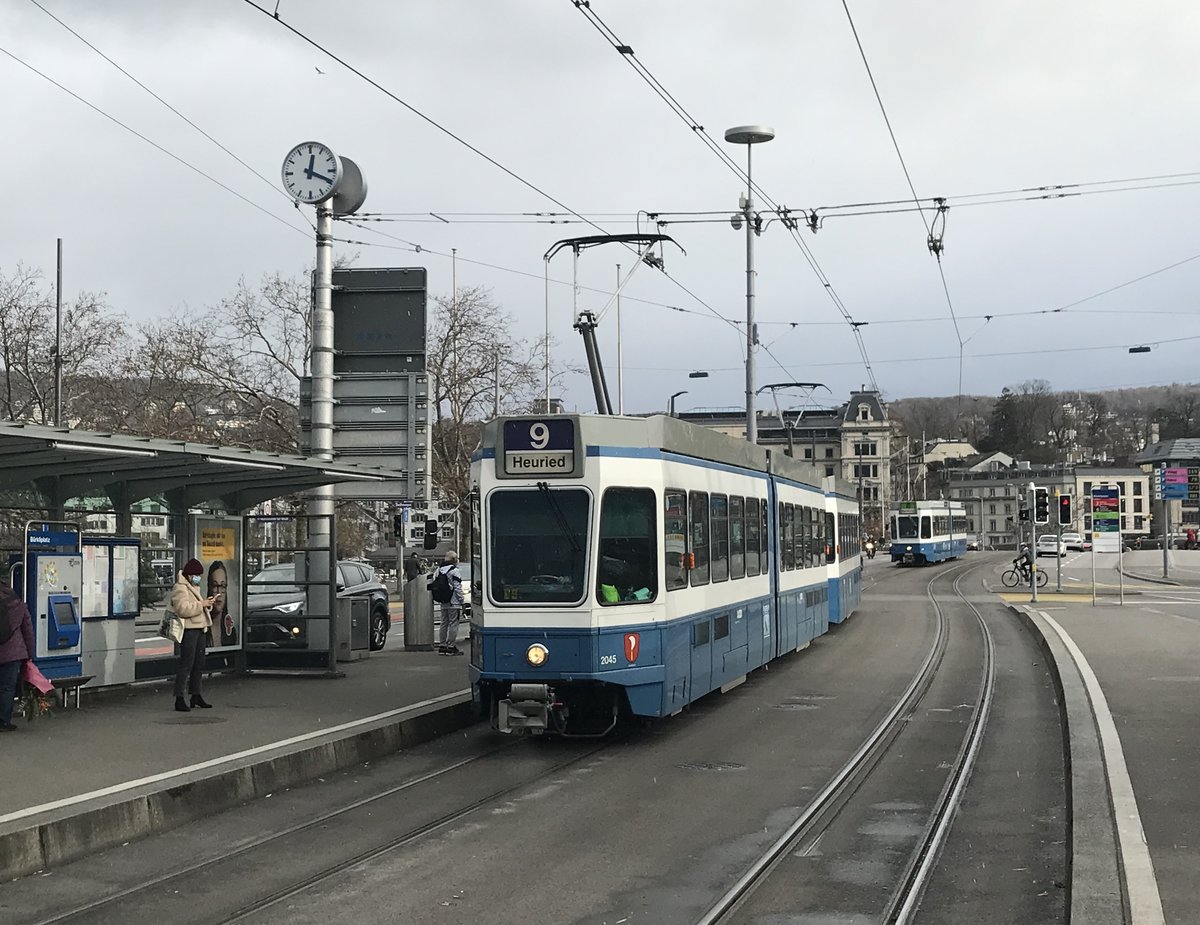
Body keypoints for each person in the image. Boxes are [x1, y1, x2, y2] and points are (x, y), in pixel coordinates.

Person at [171, 558, 215, 712]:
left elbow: (195, 607)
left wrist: (206, 604)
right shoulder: (180, 588)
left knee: (199, 664)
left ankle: (196, 694)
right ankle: (179, 698)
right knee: (186, 664)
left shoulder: (193, 586)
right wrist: (201, 604)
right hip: (189, 630)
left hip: (200, 629)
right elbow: (183, 609)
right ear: (189, 575)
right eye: (196, 575)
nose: (199, 578)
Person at [0, 583, 35, 732]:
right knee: (7, 688)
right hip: (12, 654)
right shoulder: (18, 605)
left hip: (11, 653)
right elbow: (28, 630)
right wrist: (30, 655)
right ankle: (3, 722)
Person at [433, 551, 464, 656]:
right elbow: (457, 587)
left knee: (444, 623)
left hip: (443, 601)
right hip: (453, 602)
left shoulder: (438, 570)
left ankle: (442, 646)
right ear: (454, 560)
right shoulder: (454, 571)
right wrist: (462, 600)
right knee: (453, 623)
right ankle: (451, 646)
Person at [206, 560, 238, 648]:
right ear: (209, 588)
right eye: (215, 586)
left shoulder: (231, 631)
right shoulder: (202, 629)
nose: (219, 593)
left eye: (223, 586)